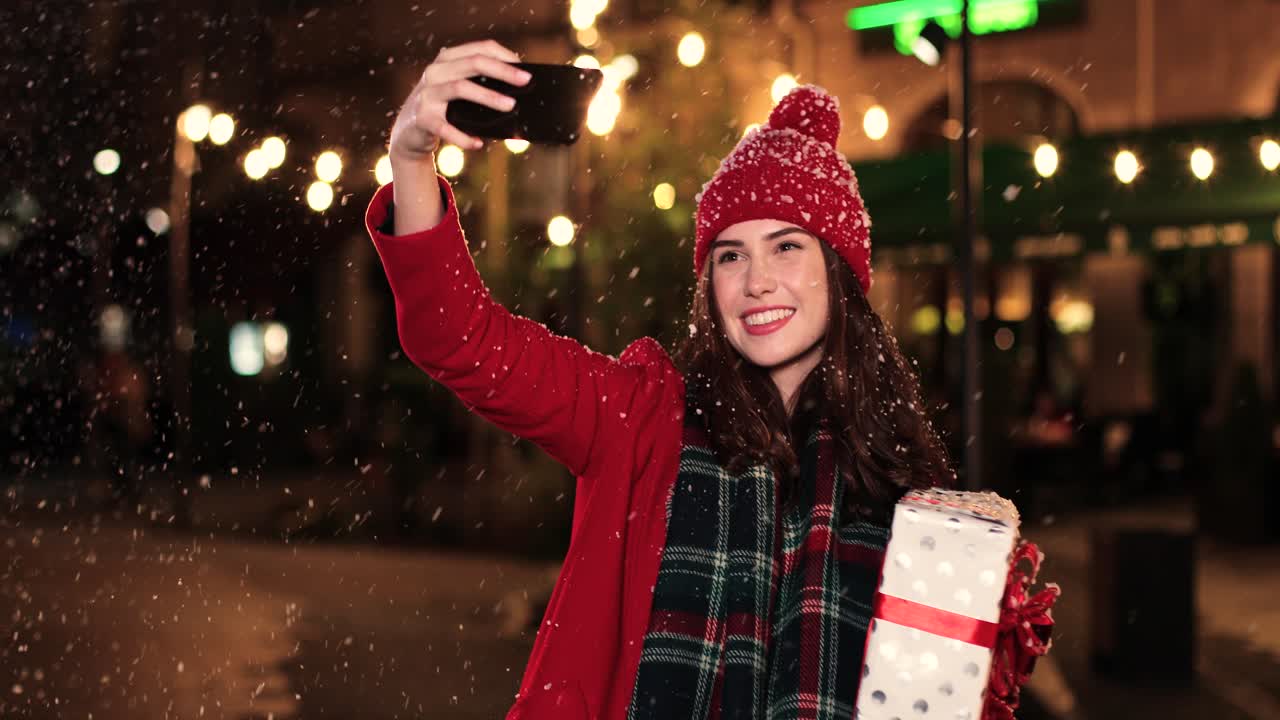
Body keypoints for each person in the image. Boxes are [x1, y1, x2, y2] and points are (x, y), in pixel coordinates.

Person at [368, 40, 954, 720]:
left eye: (787, 246)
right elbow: (460, 337)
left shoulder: (901, 483)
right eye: (731, 255)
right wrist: (411, 158)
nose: (756, 279)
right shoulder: (640, 419)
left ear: (841, 274)